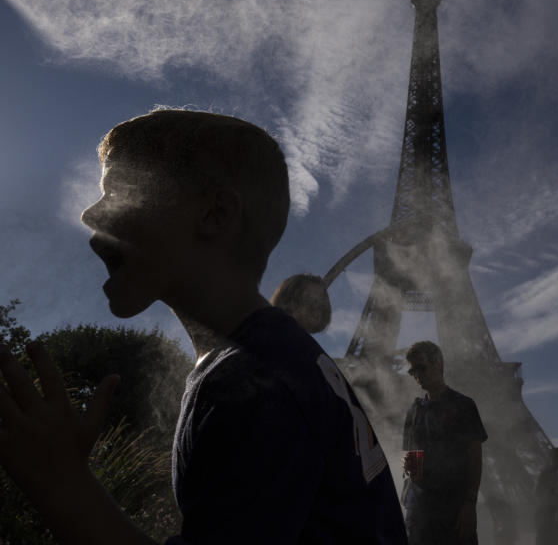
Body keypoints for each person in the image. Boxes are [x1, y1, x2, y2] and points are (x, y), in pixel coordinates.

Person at [0, 110, 408, 544]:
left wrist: (60, 482)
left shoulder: (252, 383)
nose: (87, 213)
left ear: (215, 214)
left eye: (117, 191)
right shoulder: (280, 363)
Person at [402, 340, 487, 545]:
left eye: (421, 368)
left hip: (453, 509)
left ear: (438, 363)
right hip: (420, 511)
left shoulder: (464, 405)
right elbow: (411, 454)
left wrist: (470, 505)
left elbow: (475, 457)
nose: (417, 376)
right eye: (413, 371)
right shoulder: (413, 410)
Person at [534, 447, 558, 545]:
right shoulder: (549, 473)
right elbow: (546, 491)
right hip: (546, 515)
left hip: (548, 514)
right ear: (556, 459)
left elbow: (545, 491)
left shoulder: (551, 472)